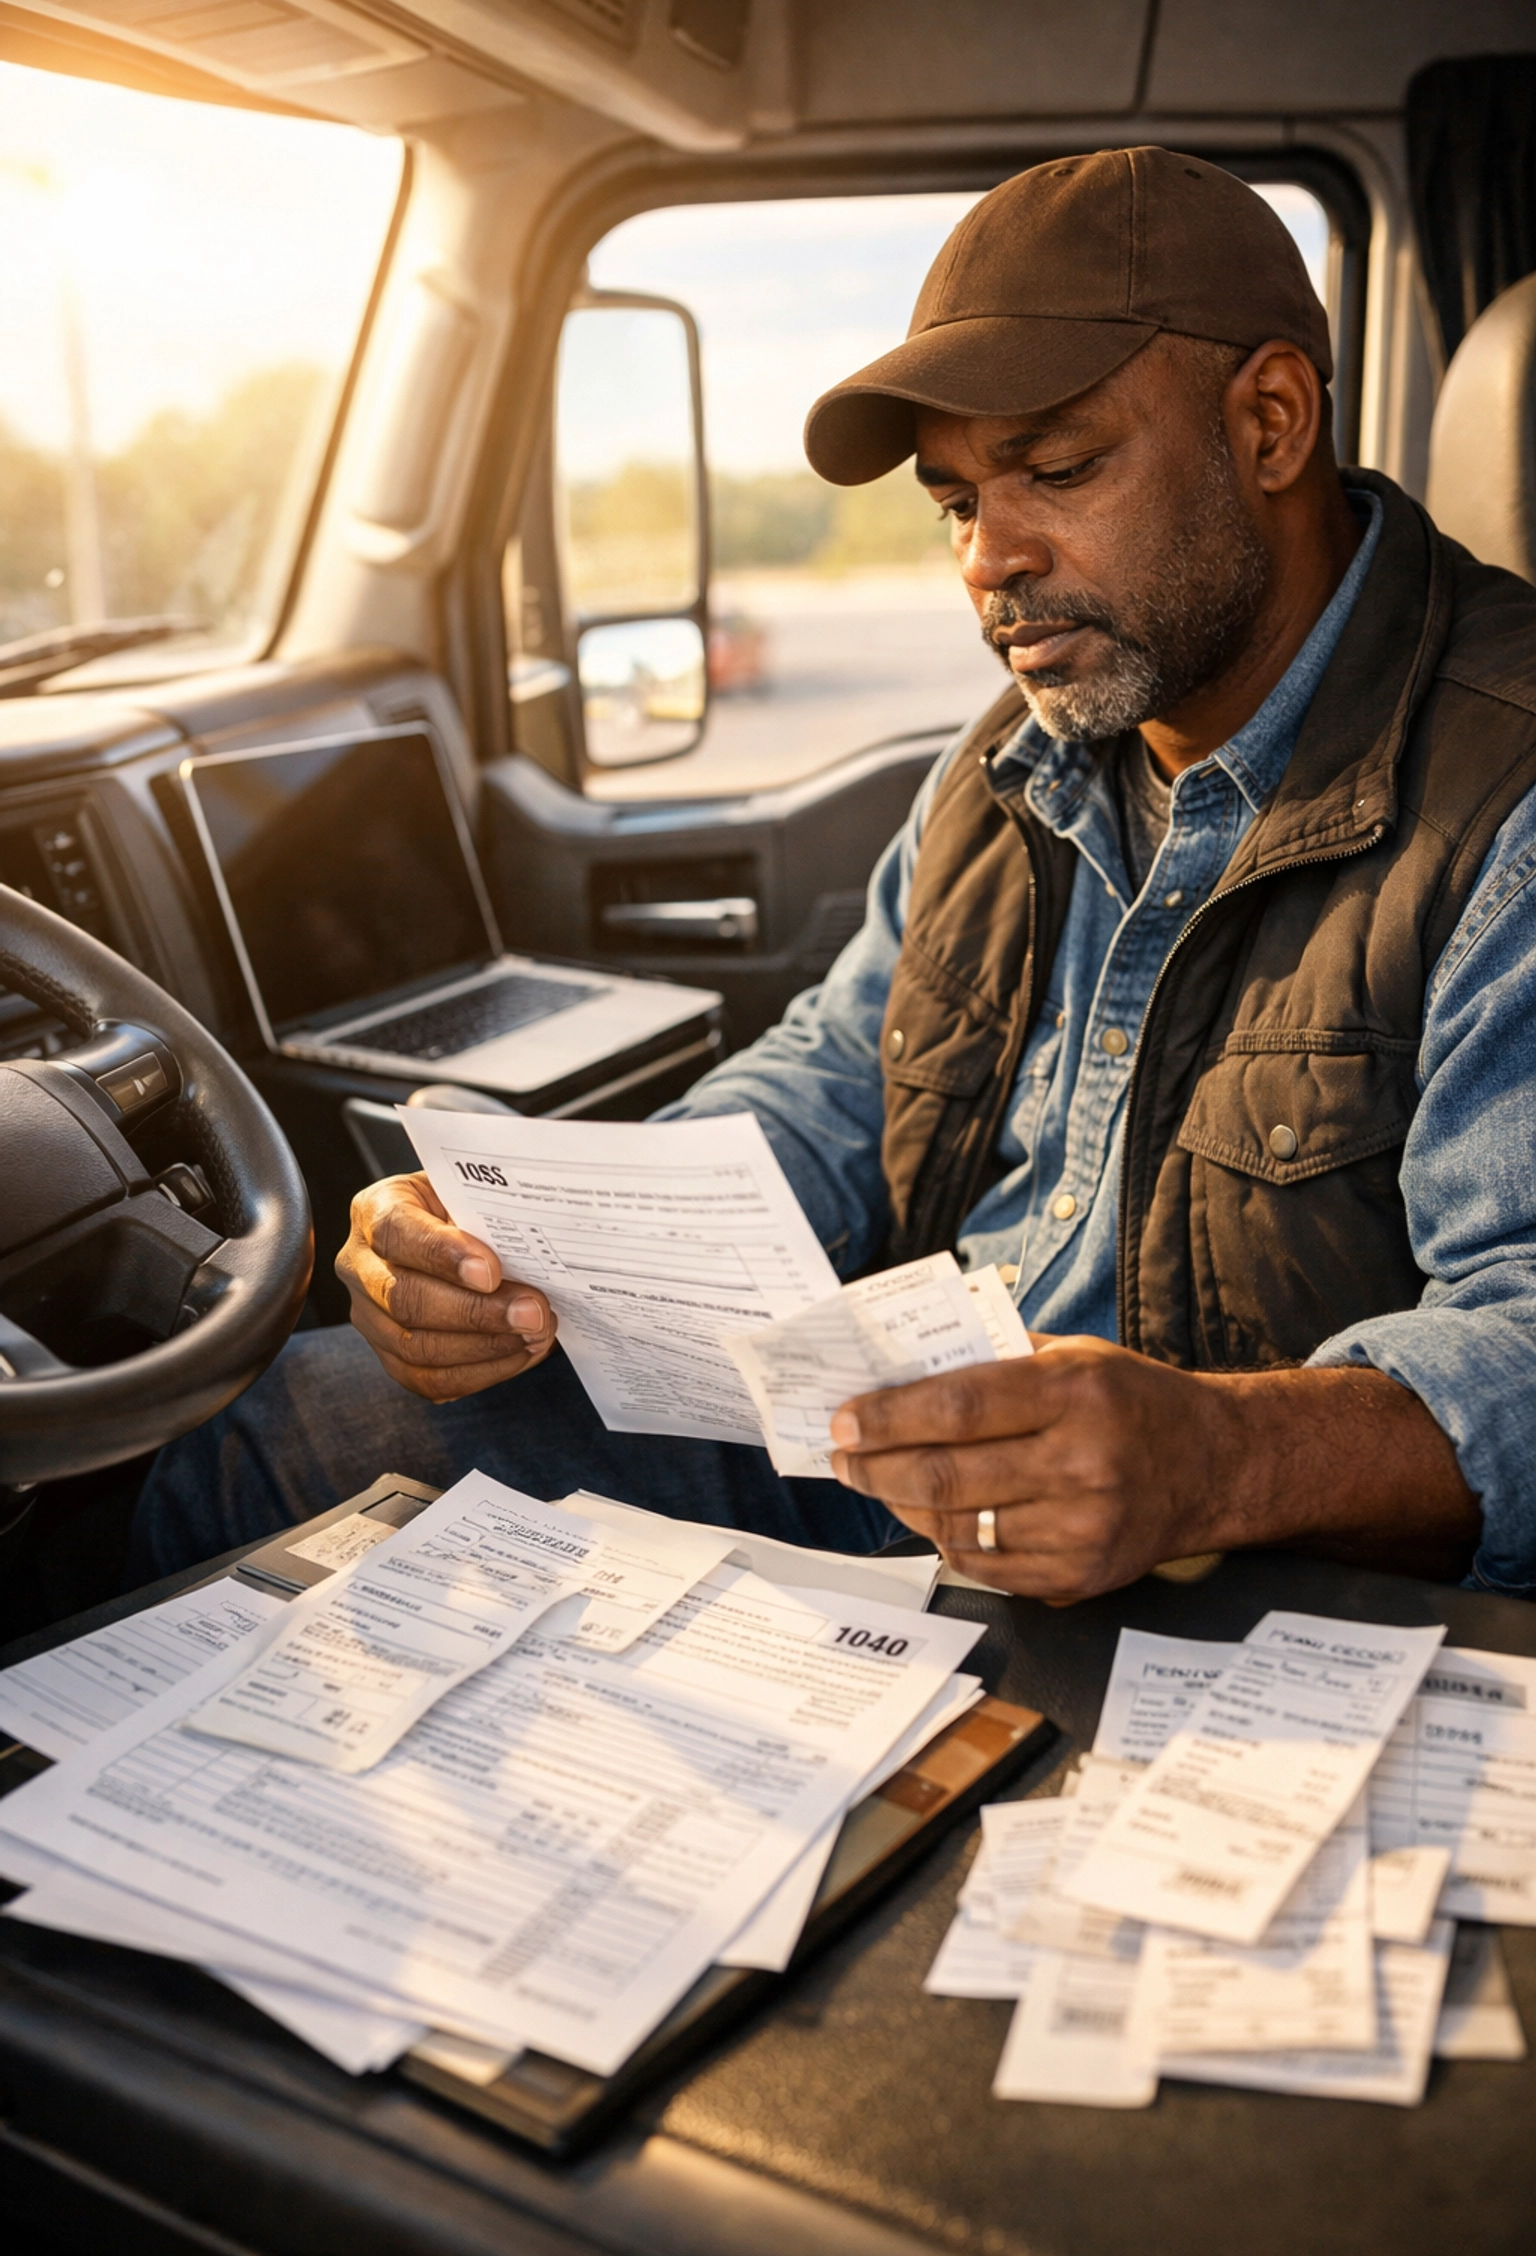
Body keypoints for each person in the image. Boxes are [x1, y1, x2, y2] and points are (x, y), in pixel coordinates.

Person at [133, 148, 1536, 1603]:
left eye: (1059, 471)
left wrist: (1219, 1460)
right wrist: (518, 1245)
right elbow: (838, 1082)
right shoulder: (1009, 765)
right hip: (890, 1456)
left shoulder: (1505, 797)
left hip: (1237, 1563)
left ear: (1269, 421)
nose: (990, 558)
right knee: (283, 1433)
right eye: (953, 503)